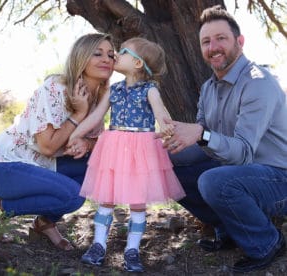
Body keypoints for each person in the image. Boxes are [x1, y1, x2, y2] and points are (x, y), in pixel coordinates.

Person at [159, 5, 287, 273]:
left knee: (213, 180)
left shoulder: (258, 83)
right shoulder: (208, 88)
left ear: (239, 42)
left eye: (221, 38)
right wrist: (164, 147)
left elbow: (241, 153)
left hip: (278, 177)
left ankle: (267, 242)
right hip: (240, 172)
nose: (213, 47)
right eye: (206, 41)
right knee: (162, 163)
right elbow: (206, 145)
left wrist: (200, 134)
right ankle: (229, 230)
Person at [66, 37, 186, 272]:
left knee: (138, 202)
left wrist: (166, 125)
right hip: (114, 146)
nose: (115, 55)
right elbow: (96, 117)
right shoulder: (114, 89)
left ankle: (132, 250)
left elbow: (161, 112)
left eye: (122, 52)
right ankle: (99, 245)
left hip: (142, 148)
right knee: (106, 197)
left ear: (138, 64)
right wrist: (76, 134)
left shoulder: (150, 90)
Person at [0, 33, 115, 251]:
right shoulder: (55, 87)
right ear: (81, 57)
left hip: (43, 166)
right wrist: (78, 114)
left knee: (101, 167)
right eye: (98, 53)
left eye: (111, 55)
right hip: (4, 166)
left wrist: (86, 144)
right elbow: (47, 146)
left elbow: (97, 144)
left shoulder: (101, 97)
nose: (107, 59)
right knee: (73, 196)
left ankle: (44, 224)